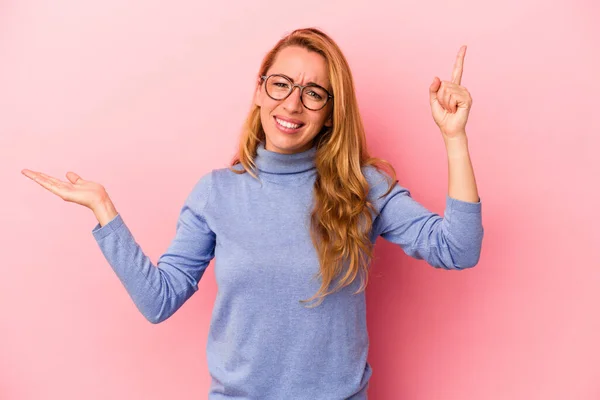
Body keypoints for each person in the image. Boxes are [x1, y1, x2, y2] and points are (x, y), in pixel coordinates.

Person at [22, 27, 483, 400]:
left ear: (330, 112)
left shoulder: (361, 186)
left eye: (313, 93)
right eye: (281, 84)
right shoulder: (216, 193)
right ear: (261, 89)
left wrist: (454, 139)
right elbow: (159, 301)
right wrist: (105, 211)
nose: (292, 103)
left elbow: (458, 249)